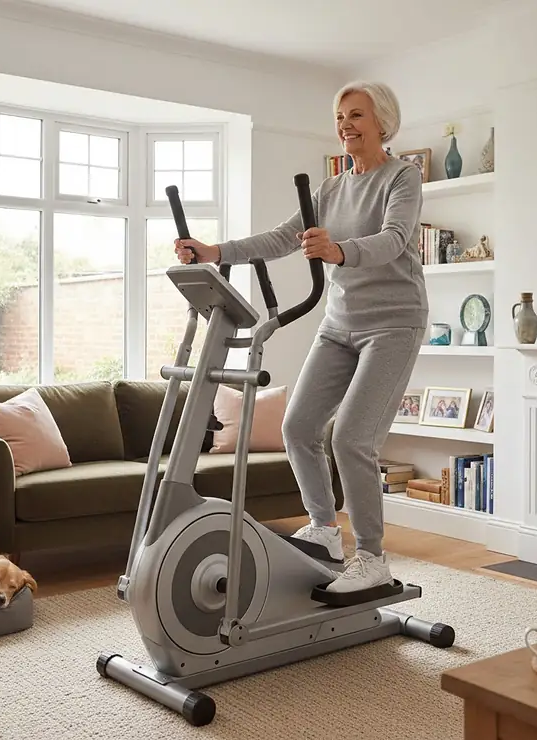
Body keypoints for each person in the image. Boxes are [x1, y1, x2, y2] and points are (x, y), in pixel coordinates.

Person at [174, 81, 428, 594]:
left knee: (351, 437)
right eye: (339, 116)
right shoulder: (331, 190)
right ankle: (326, 531)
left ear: (383, 122)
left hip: (394, 322)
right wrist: (213, 251)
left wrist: (338, 252)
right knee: (298, 425)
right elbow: (280, 237)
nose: (345, 125)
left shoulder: (403, 177)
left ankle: (373, 558)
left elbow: (395, 240)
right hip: (339, 323)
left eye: (356, 115)